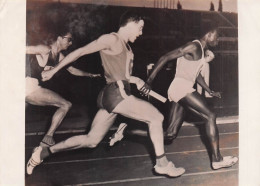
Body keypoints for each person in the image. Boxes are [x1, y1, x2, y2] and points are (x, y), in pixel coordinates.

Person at [26, 11, 185, 177]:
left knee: (91, 141)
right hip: (116, 93)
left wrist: (137, 80)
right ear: (131, 24)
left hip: (111, 95)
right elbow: (80, 51)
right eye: (140, 28)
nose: (141, 33)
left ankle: (43, 152)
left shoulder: (126, 47)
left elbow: (122, 75)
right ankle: (162, 163)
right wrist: (54, 71)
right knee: (156, 117)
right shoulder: (112, 39)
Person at [141, 26, 238, 170]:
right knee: (210, 116)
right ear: (209, 34)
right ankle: (217, 159)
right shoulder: (194, 46)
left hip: (181, 88)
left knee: (170, 134)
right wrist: (149, 81)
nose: (217, 41)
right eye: (216, 37)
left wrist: (209, 90)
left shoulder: (201, 51)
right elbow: (165, 57)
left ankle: (128, 131)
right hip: (181, 87)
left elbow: (196, 75)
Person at [26, 29, 100, 147]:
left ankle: (47, 138)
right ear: (59, 38)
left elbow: (72, 70)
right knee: (65, 105)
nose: (70, 43)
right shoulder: (45, 49)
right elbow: (23, 49)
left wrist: (90, 74)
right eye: (69, 39)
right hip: (26, 85)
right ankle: (48, 138)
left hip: (31, 88)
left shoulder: (59, 56)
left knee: (65, 104)